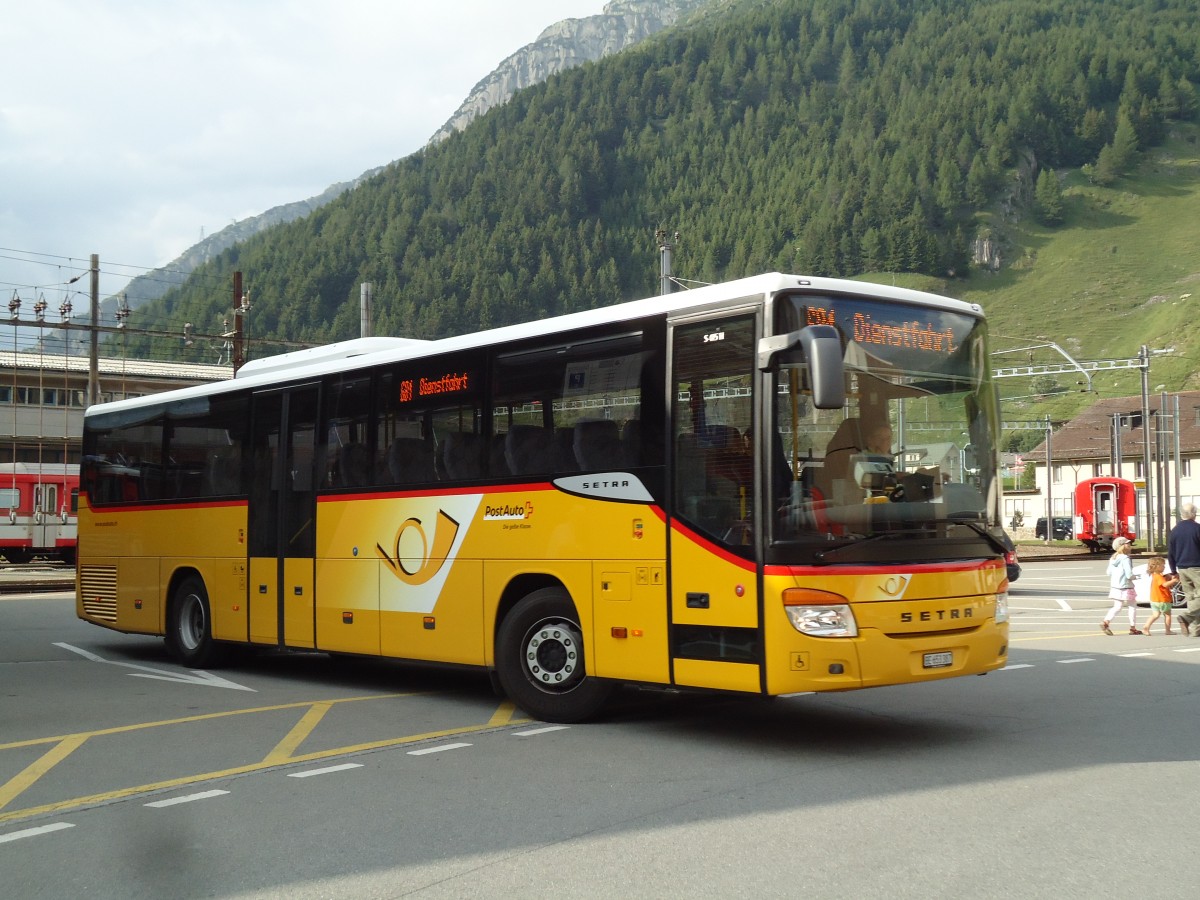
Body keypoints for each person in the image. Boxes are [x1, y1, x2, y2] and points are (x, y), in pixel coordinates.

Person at [1168, 503, 1200, 637]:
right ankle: (1186, 617)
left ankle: (1195, 630)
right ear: (1194, 513)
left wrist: (1173, 570)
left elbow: (1171, 552)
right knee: (1197, 597)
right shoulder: (1197, 528)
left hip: (1181, 568)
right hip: (1197, 567)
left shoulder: (1175, 530)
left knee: (1192, 597)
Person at [1101, 536, 1140, 635]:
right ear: (1123, 546)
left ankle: (1106, 621)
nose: (1130, 545)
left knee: (1117, 606)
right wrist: (1137, 577)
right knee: (1132, 606)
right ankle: (1132, 627)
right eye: (1128, 543)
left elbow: (1108, 572)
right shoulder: (1125, 558)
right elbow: (1129, 574)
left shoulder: (1113, 557)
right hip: (1126, 586)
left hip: (1115, 586)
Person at [1140, 556, 1178, 636]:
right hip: (1163, 599)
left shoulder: (1155, 575)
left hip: (1154, 599)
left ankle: (1146, 627)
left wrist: (1168, 577)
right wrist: (1173, 581)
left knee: (1155, 615)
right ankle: (1168, 630)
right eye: (1163, 565)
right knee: (1167, 615)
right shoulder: (1159, 577)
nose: (1164, 567)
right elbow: (1165, 585)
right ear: (1157, 566)